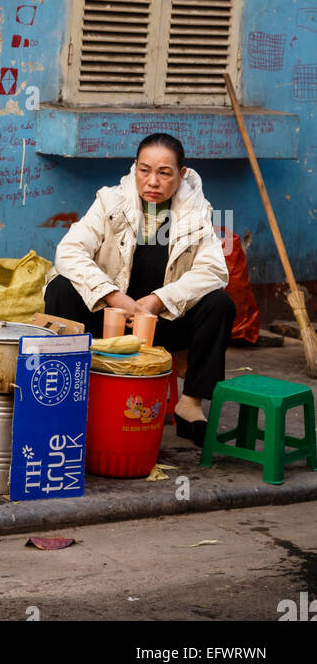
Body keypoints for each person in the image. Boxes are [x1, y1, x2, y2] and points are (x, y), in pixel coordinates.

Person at [43, 133, 235, 445]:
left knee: (219, 303)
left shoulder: (197, 212)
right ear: (135, 168)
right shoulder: (110, 202)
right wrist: (112, 296)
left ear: (181, 174)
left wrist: (159, 301)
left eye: (164, 172)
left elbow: (214, 270)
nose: (153, 182)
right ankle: (67, 394)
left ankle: (190, 405)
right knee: (61, 288)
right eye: (145, 170)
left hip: (161, 324)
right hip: (106, 319)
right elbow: (68, 252)